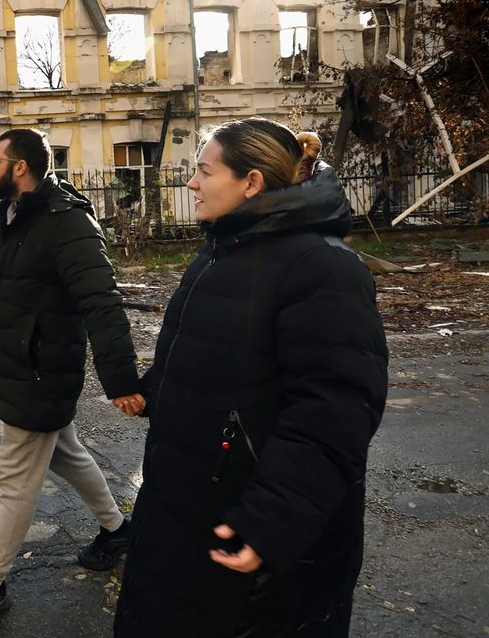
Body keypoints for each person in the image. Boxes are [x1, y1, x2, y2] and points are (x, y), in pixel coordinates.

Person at [114, 118, 388, 637]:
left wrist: (271, 520)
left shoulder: (322, 267)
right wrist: (154, 390)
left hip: (252, 526)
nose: (192, 184)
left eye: (204, 171)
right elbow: (215, 354)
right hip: (186, 504)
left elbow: (336, 410)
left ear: (252, 183)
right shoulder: (221, 250)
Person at [0, 128, 146, 626]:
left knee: (14, 480)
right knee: (66, 455)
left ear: (20, 167)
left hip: (40, 372)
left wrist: (122, 381)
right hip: (23, 365)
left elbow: (101, 299)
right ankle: (117, 530)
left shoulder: (65, 223)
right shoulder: (12, 216)